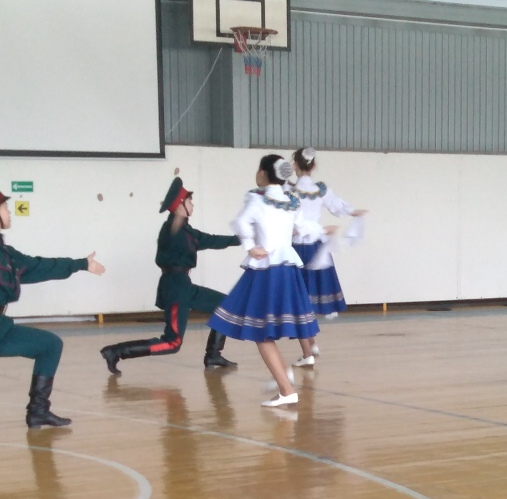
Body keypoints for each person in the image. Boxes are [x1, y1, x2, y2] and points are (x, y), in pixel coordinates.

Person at [207, 154, 321, 408]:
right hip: (287, 270)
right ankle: (284, 379)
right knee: (266, 331)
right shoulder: (291, 201)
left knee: (262, 332)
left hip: (266, 269)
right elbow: (305, 227)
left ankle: (286, 389)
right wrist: (323, 231)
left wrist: (250, 246)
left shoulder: (257, 199)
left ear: (263, 173)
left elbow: (240, 222)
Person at [99, 177, 240, 375]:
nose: (193, 205)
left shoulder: (187, 231)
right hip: (174, 287)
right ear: (180, 205)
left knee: (225, 307)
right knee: (172, 343)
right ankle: (115, 352)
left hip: (183, 285)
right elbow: (174, 234)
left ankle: (213, 354)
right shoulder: (171, 230)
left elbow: (212, 240)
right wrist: (176, 219)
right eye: (189, 201)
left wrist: (244, 239)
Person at [0, 189, 106, 428]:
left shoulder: (5, 254)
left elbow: (38, 266)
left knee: (50, 345)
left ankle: (38, 411)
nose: (9, 211)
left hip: (1, 329)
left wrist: (81, 264)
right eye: (5, 207)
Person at [286, 147, 366, 367]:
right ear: (314, 165)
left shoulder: (288, 190)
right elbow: (338, 206)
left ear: (295, 165)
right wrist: (354, 212)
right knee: (305, 301)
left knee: (297, 302)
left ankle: (308, 351)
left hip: (295, 248)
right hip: (316, 247)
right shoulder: (321, 190)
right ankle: (310, 345)